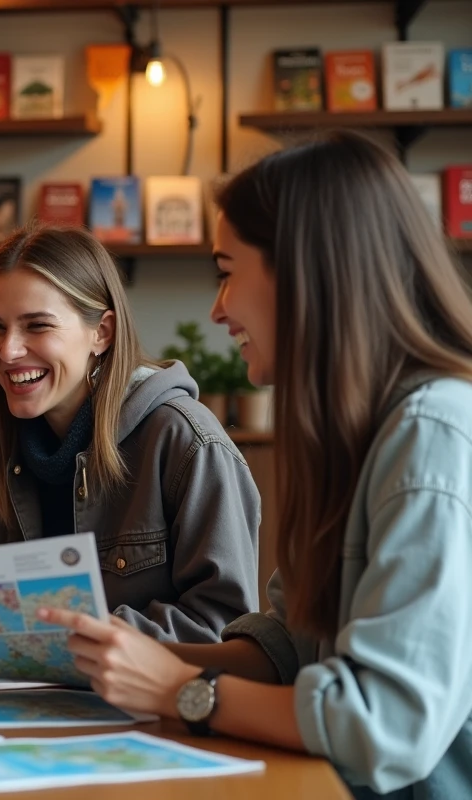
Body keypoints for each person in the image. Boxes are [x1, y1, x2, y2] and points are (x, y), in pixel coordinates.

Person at [48, 131, 472, 798]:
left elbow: (384, 726)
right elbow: (290, 645)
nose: (217, 308)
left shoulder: (434, 433)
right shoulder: (356, 435)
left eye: (226, 270)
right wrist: (117, 656)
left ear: (308, 271)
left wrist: (181, 689)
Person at [0, 225, 261, 664]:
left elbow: (224, 629)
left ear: (103, 332)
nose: (7, 352)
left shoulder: (185, 441)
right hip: (33, 711)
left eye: (37, 325)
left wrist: (59, 636)